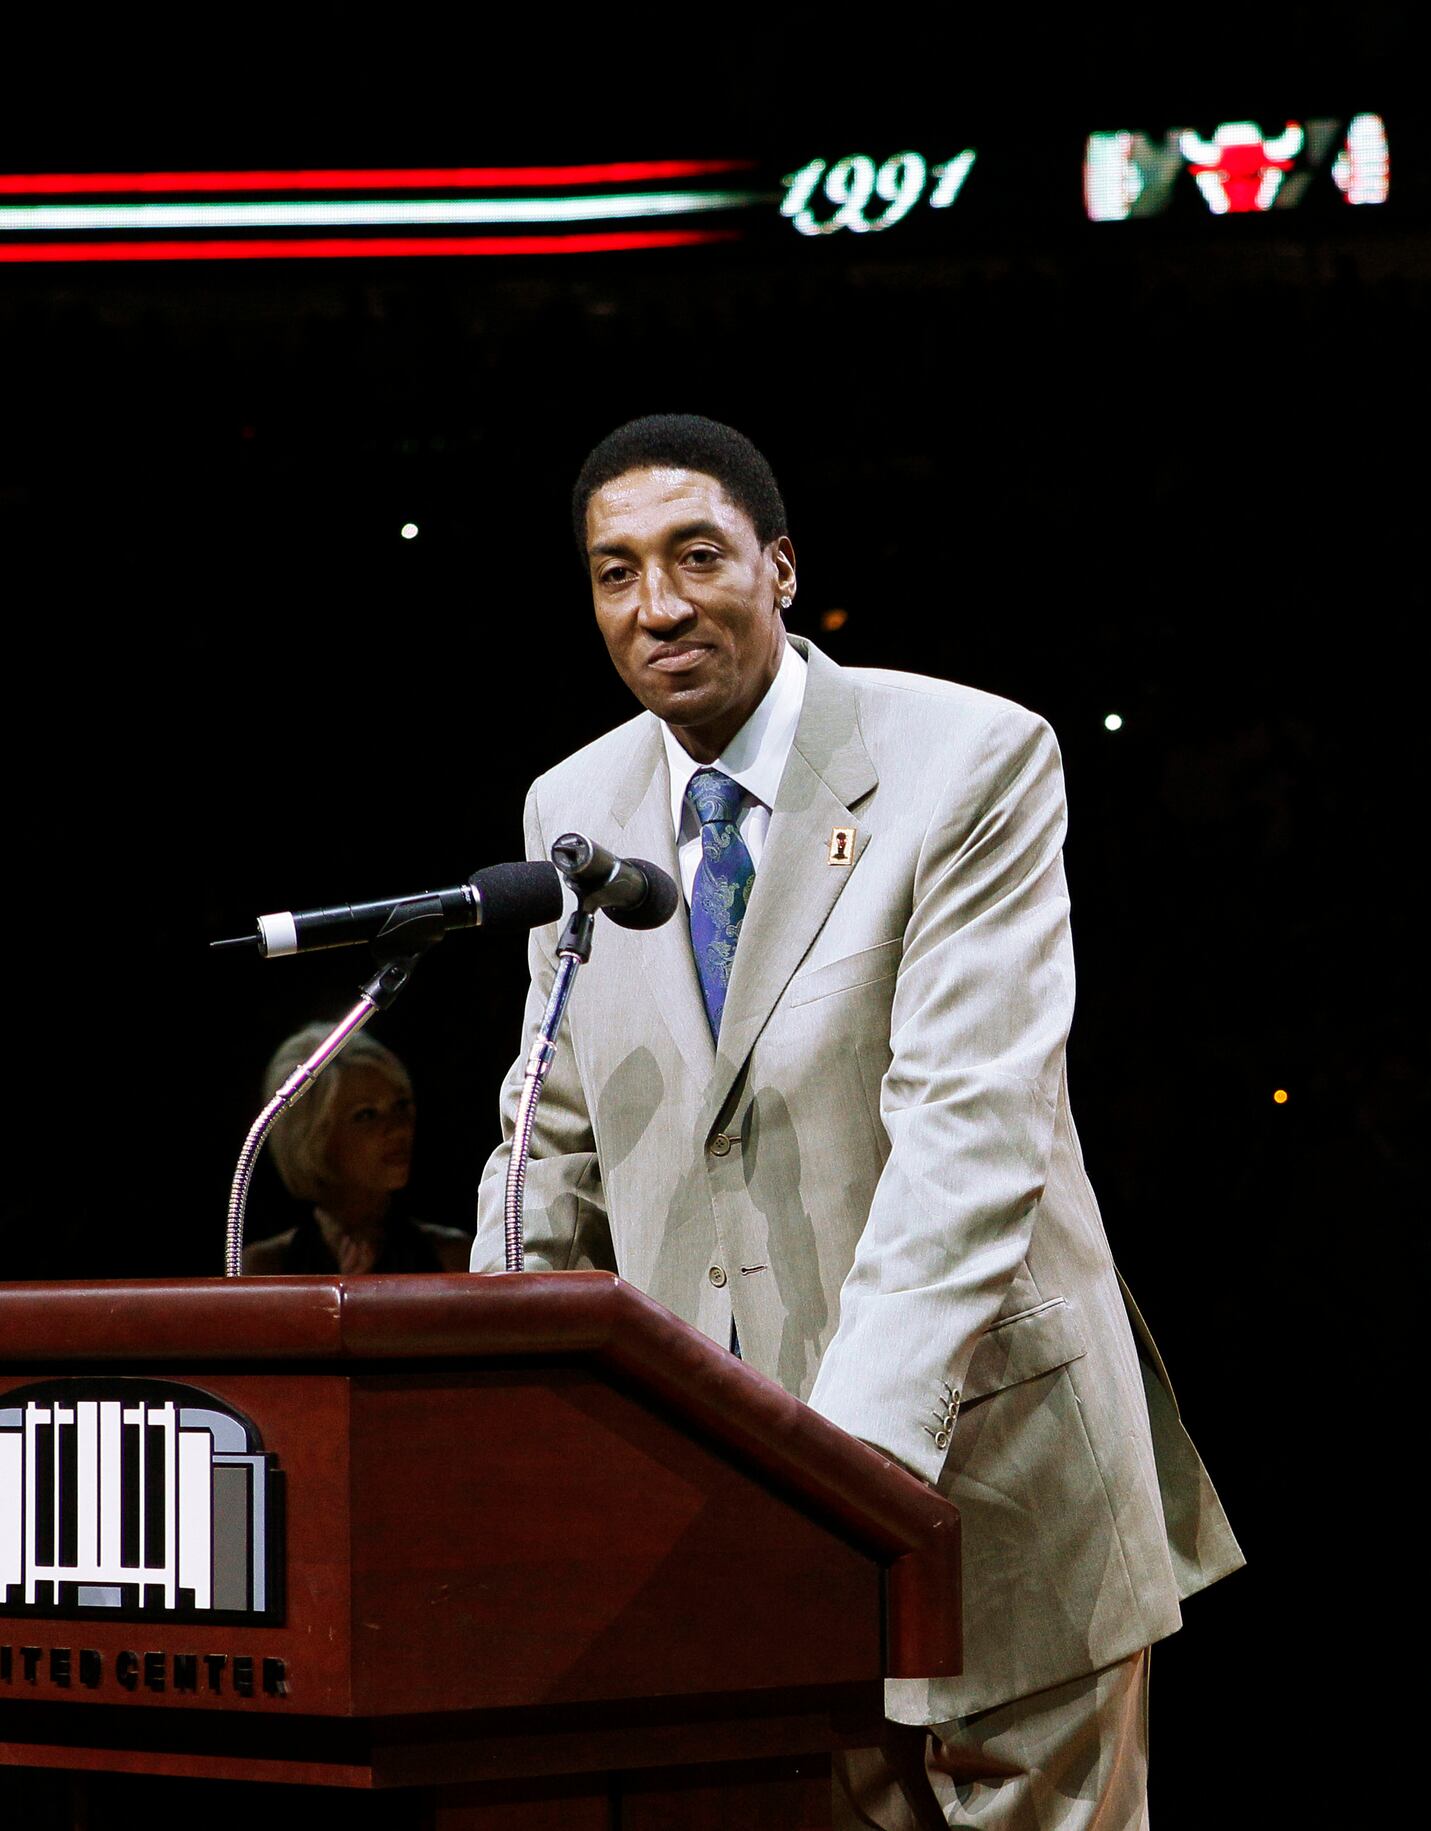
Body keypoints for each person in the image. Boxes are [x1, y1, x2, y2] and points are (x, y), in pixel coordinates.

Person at [475, 414, 1240, 1829]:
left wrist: (840, 1482)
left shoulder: (970, 757)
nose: (657, 605)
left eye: (696, 556)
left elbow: (971, 1126)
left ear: (776, 566)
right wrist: (489, 1438)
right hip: (730, 1525)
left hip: (984, 1483)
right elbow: (549, 1143)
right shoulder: (571, 805)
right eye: (615, 572)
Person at [243, 1026, 467, 1274]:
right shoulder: (266, 1268)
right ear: (312, 1136)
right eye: (366, 1115)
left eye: (401, 1105)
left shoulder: (452, 1257)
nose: (398, 1130)